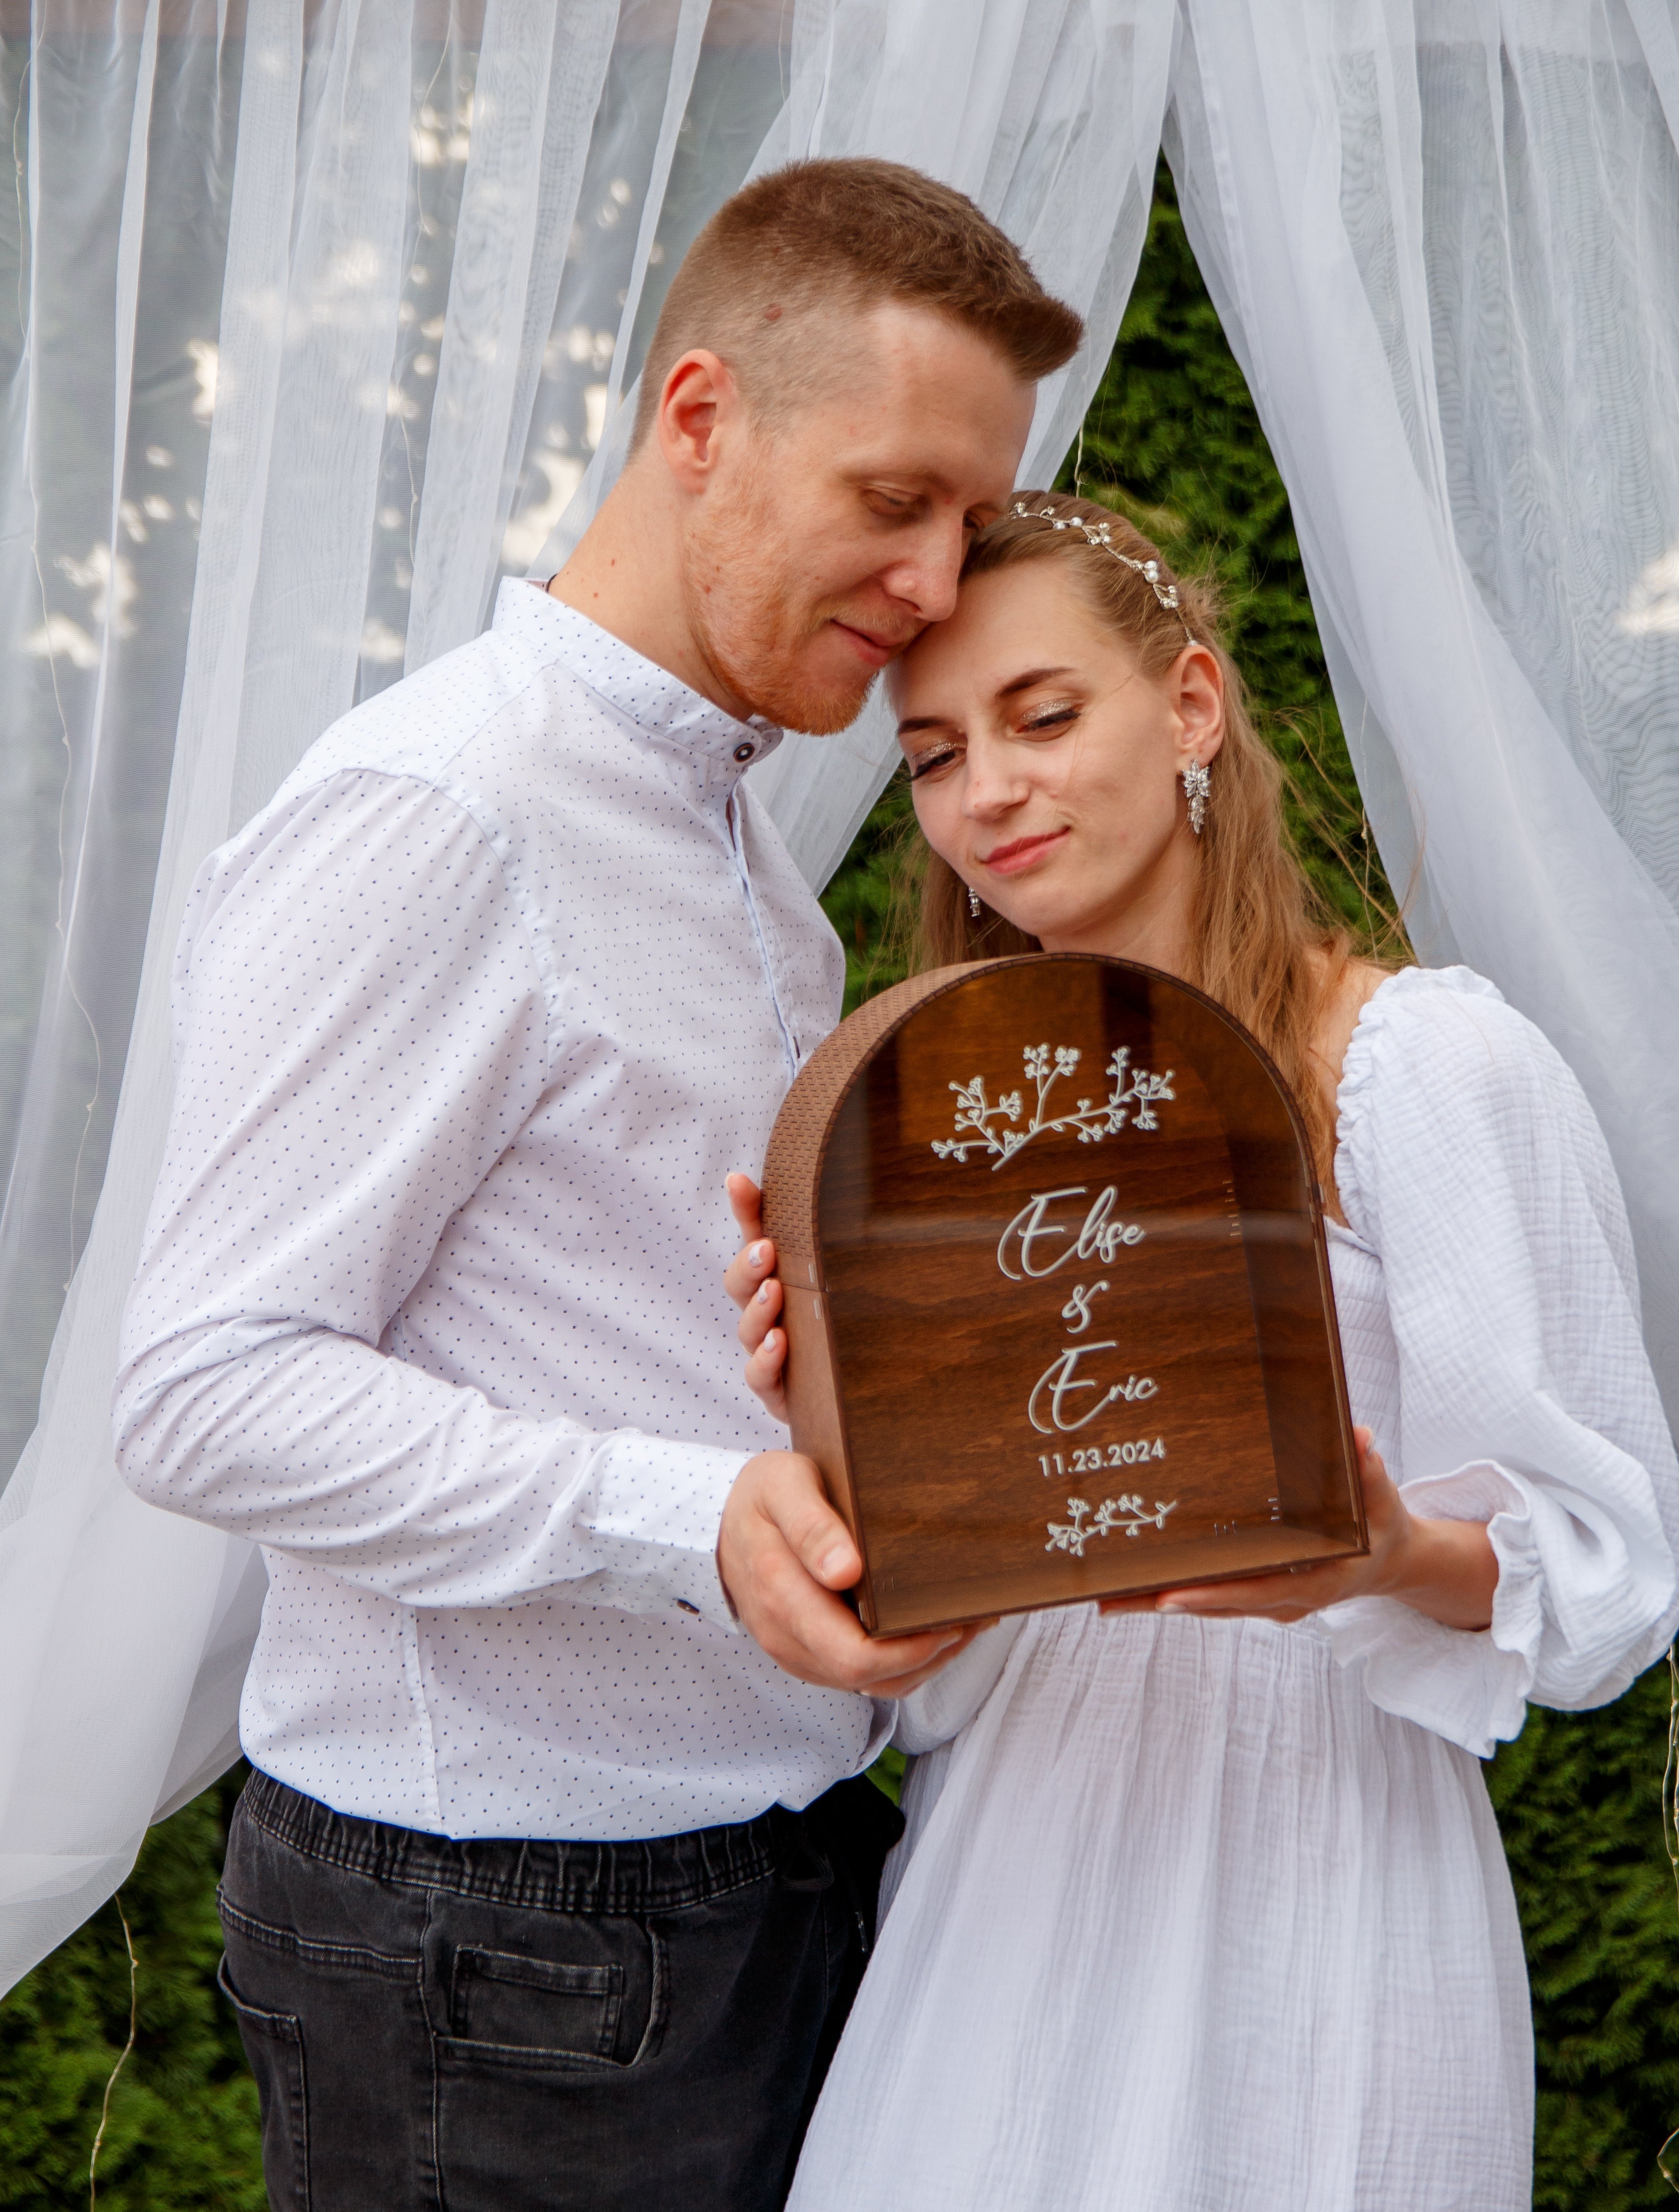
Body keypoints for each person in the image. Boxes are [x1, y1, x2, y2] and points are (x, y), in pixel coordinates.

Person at [111, 161, 1080, 2212]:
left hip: (757, 1888)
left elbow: (665, 1347)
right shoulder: (438, 813)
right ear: (701, 415)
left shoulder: (742, 856)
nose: (935, 579)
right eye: (893, 497)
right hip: (503, 1947)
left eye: (971, 525)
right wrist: (696, 1517)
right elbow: (205, 1382)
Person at [725, 493, 1679, 2211]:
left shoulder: (1419, 1073)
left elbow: (1609, 1578)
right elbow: (930, 1623)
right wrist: (827, 1413)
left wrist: (1387, 1553)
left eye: (1041, 715)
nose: (988, 794)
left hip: (1317, 1883)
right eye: (936, 754)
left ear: (1189, 707)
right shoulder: (935, 1135)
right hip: (1007, 1880)